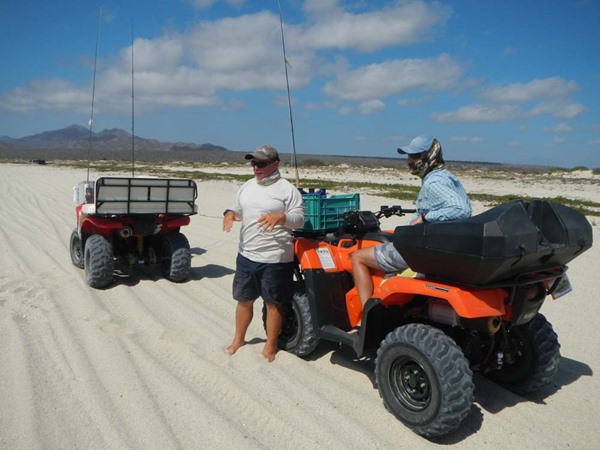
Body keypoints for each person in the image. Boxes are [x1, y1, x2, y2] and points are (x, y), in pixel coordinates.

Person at [351, 135, 471, 324]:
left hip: (422, 247)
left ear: (428, 156)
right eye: (408, 156)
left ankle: (366, 318)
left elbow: (460, 210)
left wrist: (425, 217)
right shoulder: (445, 176)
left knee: (357, 258)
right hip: (437, 243)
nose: (408, 160)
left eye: (413, 156)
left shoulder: (433, 182)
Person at [222, 145, 304, 362]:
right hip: (246, 255)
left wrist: (282, 217)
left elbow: (300, 219)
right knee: (244, 300)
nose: (256, 167)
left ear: (275, 164)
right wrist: (230, 214)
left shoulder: (287, 190)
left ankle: (270, 346)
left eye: (261, 163)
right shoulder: (247, 186)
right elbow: (238, 209)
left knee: (273, 303)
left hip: (275, 259)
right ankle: (239, 339)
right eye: (253, 163)